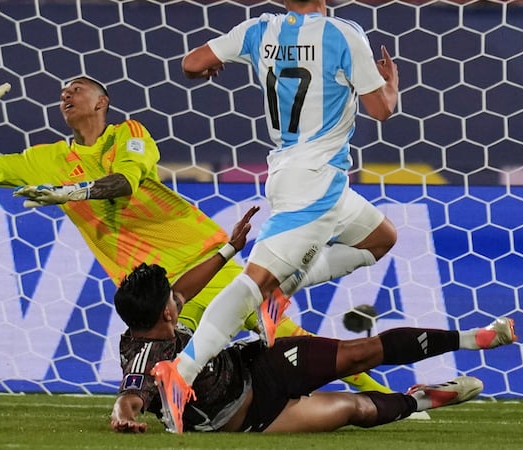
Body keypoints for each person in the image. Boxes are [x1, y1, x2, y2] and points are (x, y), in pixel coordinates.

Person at [0, 58, 391, 393]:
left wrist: (73, 192)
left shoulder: (129, 134)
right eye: (63, 92)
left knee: (289, 341)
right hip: (152, 288)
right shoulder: (49, 159)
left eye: (77, 89)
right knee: (163, 371)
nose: (66, 94)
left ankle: (386, 397)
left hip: (205, 262)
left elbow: (124, 182)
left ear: (102, 102)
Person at [152, 0, 402, 432]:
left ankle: (282, 289)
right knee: (252, 283)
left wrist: (211, 68)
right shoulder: (344, 35)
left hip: (300, 174)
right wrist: (391, 87)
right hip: (314, 182)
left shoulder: (259, 30)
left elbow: (192, 63)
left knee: (381, 238)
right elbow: (380, 110)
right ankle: (181, 373)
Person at [109, 208, 518, 433]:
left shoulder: (155, 317)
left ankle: (472, 338)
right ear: (165, 312)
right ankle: (422, 398)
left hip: (258, 364)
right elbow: (130, 397)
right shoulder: (146, 357)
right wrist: (124, 417)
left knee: (360, 352)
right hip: (251, 418)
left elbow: (184, 289)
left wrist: (230, 248)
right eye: (171, 298)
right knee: (356, 409)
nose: (178, 296)